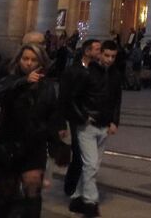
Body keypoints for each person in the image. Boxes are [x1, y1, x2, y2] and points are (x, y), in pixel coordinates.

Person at [0, 45, 64, 218]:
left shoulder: (47, 87)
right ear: (19, 60)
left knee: (33, 188)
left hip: (34, 145)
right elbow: (1, 94)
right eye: (25, 59)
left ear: (41, 63)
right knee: (5, 195)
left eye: (33, 60)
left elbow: (52, 114)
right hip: (8, 145)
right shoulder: (10, 79)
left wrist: (56, 142)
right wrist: (24, 82)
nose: (29, 63)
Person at [67, 40, 122, 216]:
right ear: (100, 54)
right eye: (106, 55)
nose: (110, 59)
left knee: (92, 166)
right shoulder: (87, 72)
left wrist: (115, 121)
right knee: (90, 165)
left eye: (113, 56)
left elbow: (116, 100)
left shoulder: (115, 74)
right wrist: (83, 117)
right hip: (87, 126)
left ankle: (77, 197)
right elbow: (73, 97)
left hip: (104, 126)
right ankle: (91, 203)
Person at [61, 39, 101, 198]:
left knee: (85, 156)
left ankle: (79, 187)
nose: (99, 52)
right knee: (79, 155)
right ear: (87, 51)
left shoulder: (95, 71)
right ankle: (71, 188)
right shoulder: (72, 71)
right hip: (76, 118)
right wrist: (82, 117)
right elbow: (66, 98)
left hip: (91, 118)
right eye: (97, 49)